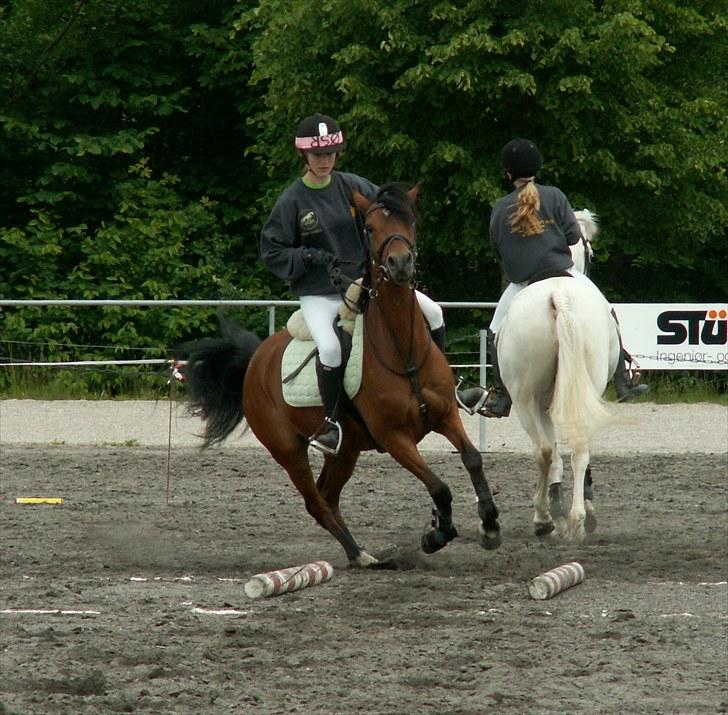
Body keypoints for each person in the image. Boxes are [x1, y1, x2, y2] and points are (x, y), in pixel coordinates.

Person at [260, 113, 477, 455]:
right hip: (319, 293)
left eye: (330, 154)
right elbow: (271, 251)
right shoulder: (292, 201)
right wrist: (306, 257)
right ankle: (330, 425)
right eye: (318, 155)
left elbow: (388, 210)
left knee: (433, 312)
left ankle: (447, 389)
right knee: (331, 349)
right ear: (304, 155)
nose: (325, 161)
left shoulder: (352, 186)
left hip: (362, 283)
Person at [478, 137, 649, 418]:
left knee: (496, 331)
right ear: (537, 167)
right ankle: (622, 385)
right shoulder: (555, 196)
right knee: (607, 312)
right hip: (565, 275)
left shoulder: (500, 207)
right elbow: (573, 236)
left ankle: (501, 397)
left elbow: (497, 249)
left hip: (523, 285)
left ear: (508, 173)